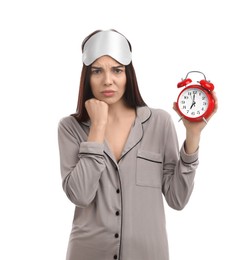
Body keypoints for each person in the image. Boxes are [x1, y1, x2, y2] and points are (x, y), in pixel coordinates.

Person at [57, 29, 218, 260]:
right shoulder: (70, 127)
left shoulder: (159, 122)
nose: (107, 80)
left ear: (128, 74)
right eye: (97, 71)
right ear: (87, 77)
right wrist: (97, 128)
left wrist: (193, 136)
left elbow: (177, 199)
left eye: (117, 70)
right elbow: (80, 194)